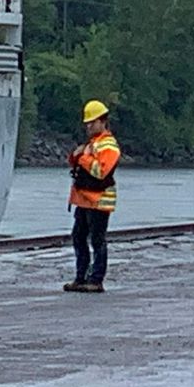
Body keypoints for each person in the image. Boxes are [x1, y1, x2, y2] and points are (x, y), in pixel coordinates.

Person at [64, 99, 120, 293]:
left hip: (99, 201)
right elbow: (77, 164)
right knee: (78, 237)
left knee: (97, 240)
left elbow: (100, 171)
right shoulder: (93, 144)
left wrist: (84, 157)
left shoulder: (109, 146)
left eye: (92, 122)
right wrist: (76, 156)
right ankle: (81, 277)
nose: (88, 126)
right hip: (85, 200)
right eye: (87, 122)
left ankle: (96, 280)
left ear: (103, 121)